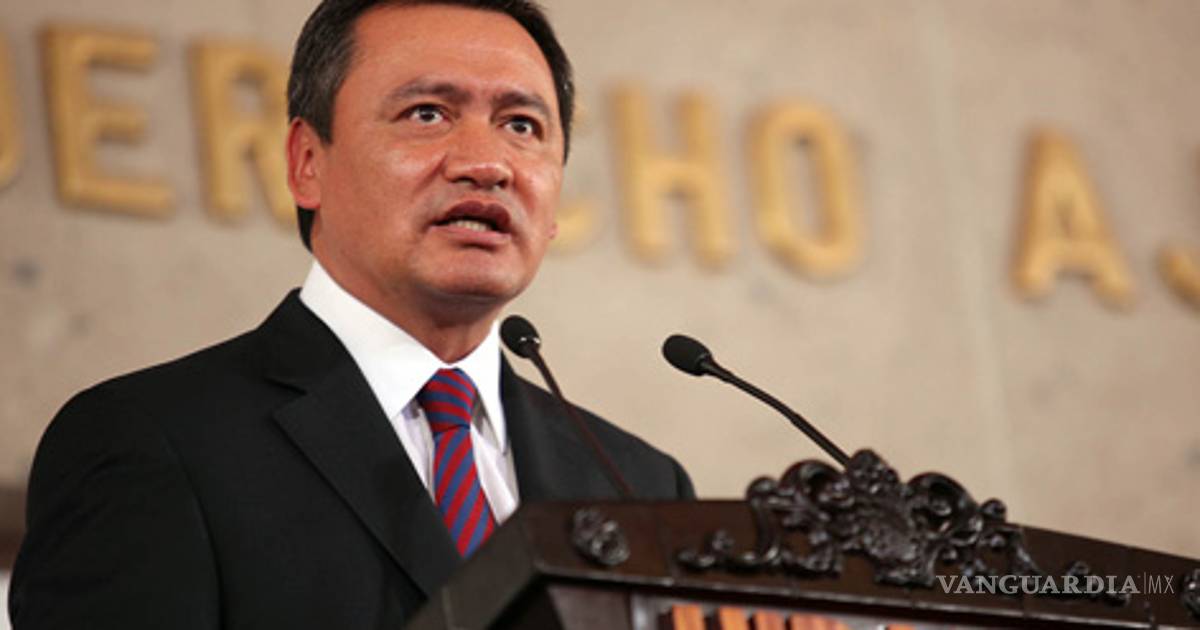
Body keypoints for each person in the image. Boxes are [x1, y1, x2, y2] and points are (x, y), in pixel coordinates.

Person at [8, 1, 694, 627]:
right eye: (427, 113)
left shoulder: (638, 484)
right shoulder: (152, 443)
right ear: (307, 162)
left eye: (522, 125)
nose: (487, 164)